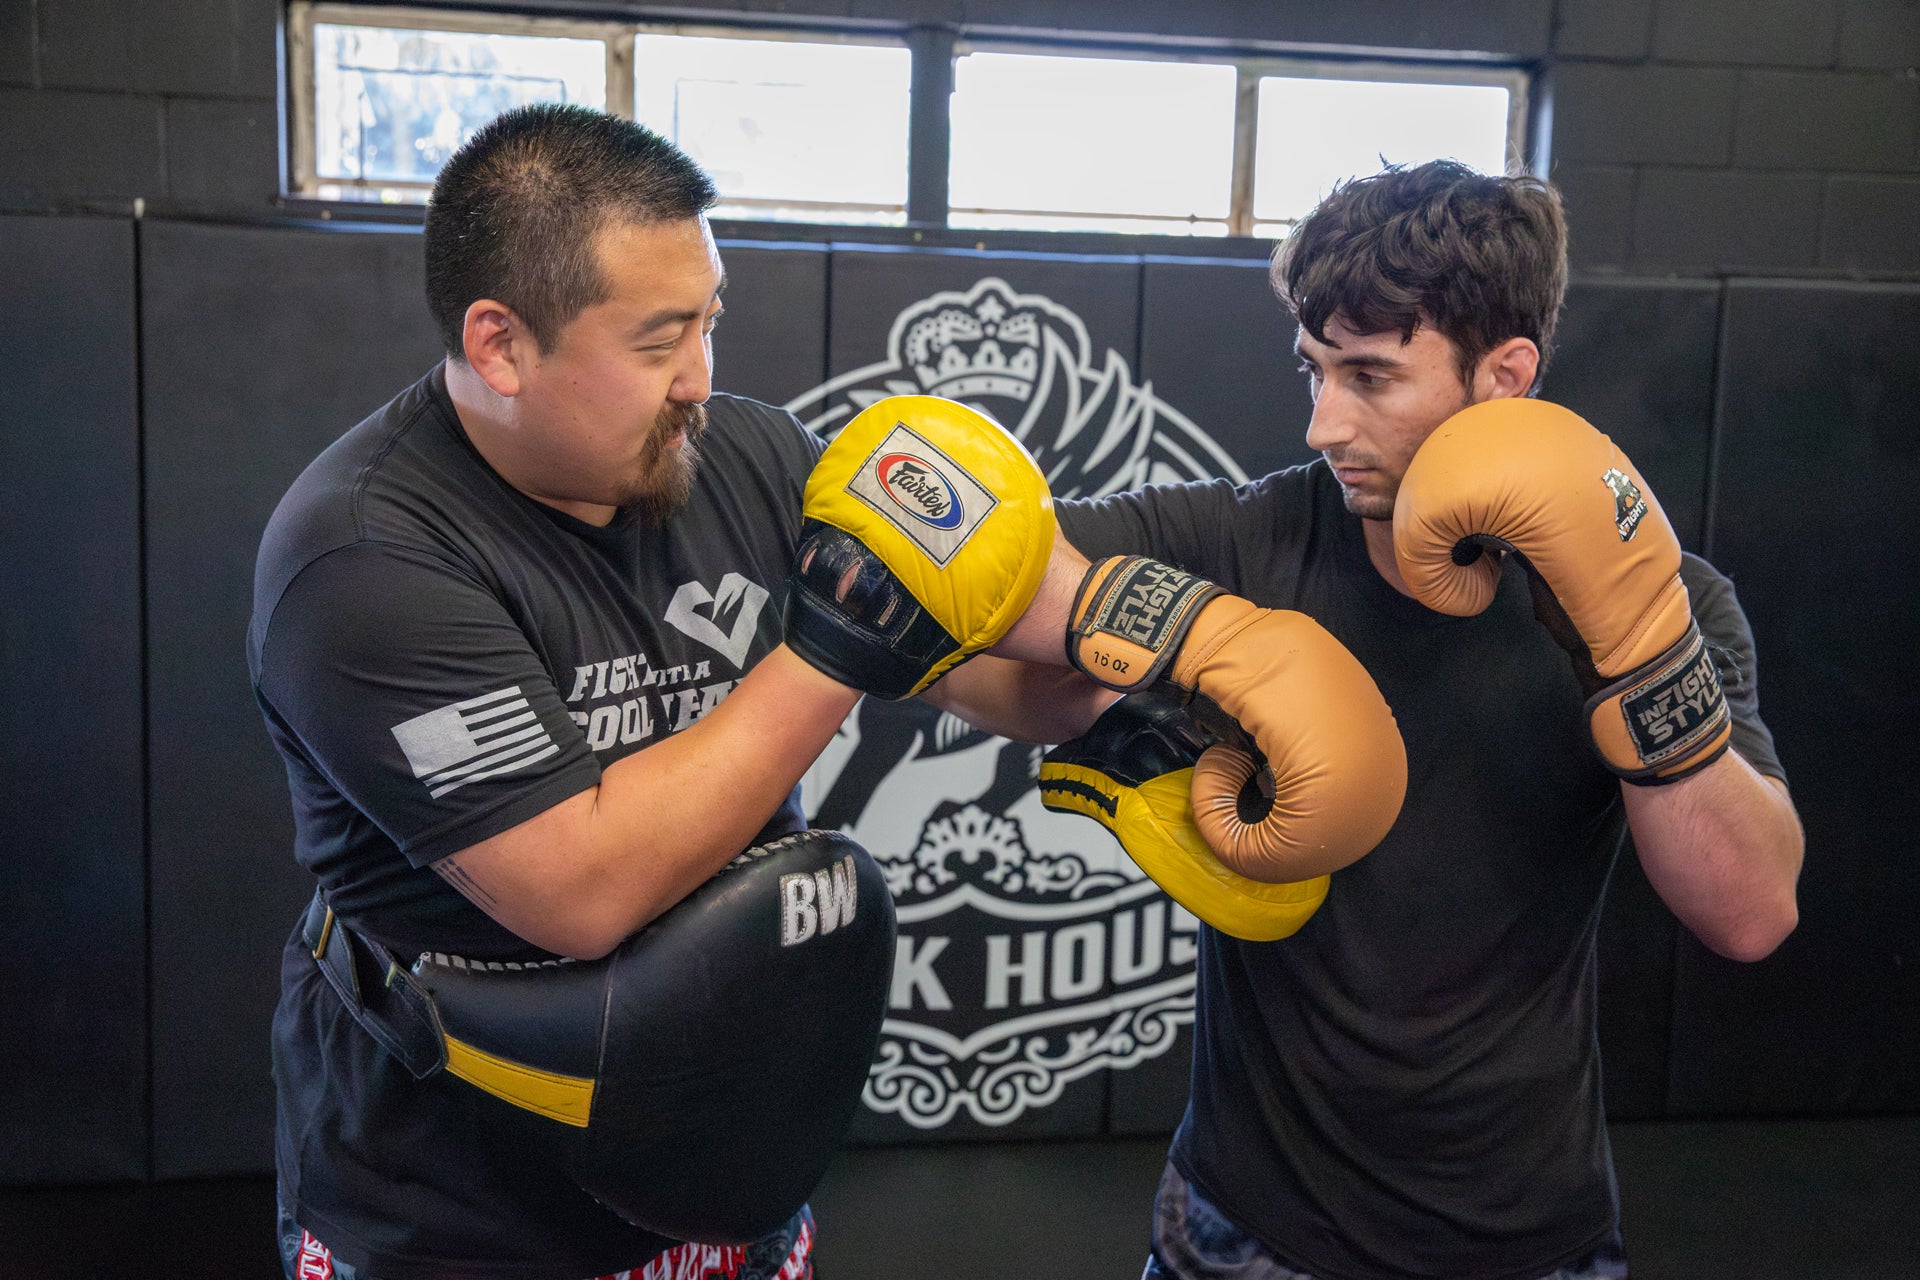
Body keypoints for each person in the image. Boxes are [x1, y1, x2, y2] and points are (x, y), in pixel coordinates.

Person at [246, 102, 1100, 1280]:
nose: (702, 376)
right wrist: (835, 646)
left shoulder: (750, 457)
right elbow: (580, 887)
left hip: (732, 1166)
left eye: (711, 318)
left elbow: (1006, 679)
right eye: (660, 341)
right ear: (500, 345)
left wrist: (1153, 651)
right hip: (458, 1208)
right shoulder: (367, 557)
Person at [1028, 161, 1805, 1279]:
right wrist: (1199, 635)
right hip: (1249, 1220)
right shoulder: (1257, 539)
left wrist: (1638, 649)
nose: (1323, 421)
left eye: (1371, 377)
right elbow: (994, 580)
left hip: (1525, 1228)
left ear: (1505, 375)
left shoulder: (1671, 597)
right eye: (1313, 369)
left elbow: (1751, 911)